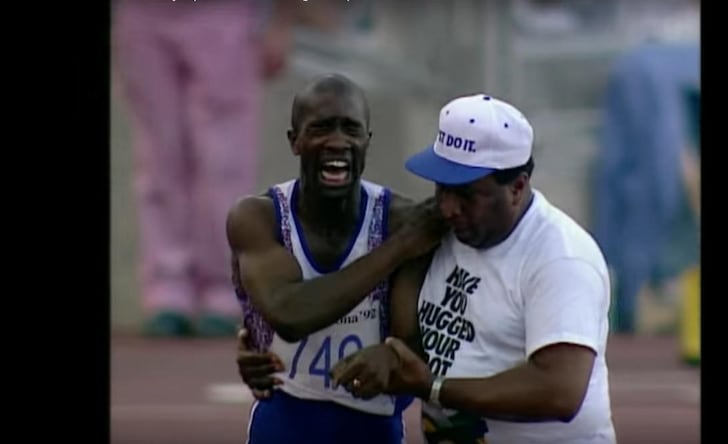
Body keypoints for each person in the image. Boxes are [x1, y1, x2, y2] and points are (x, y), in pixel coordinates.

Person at [326, 93, 618, 443]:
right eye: (442, 188)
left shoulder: (560, 257)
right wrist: (390, 356)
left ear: (517, 187)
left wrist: (433, 388)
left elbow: (559, 391)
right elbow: (411, 341)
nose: (448, 207)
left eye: (466, 194)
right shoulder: (436, 231)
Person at [227, 73, 446, 444]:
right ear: (294, 141)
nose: (338, 141)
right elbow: (289, 315)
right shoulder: (259, 218)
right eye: (321, 128)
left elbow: (412, 344)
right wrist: (397, 248)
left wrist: (393, 358)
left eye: (351, 129)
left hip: (371, 430)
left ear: (367, 141)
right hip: (284, 424)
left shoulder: (398, 220)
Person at [112, 0, 301, 337]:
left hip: (223, 14)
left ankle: (223, 287)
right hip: (141, 14)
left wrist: (282, 20)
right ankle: (167, 290)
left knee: (224, 159)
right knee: (159, 156)